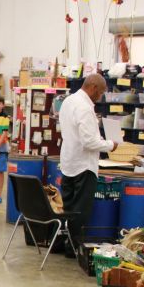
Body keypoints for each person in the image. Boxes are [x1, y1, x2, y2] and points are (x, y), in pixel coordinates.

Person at [59, 73, 118, 252]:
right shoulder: (84, 108)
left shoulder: (68, 101)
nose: (100, 97)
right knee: (80, 211)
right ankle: (74, 248)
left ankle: (64, 243)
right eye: (100, 92)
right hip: (83, 166)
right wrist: (110, 145)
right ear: (92, 88)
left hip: (68, 162)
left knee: (68, 207)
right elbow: (89, 142)